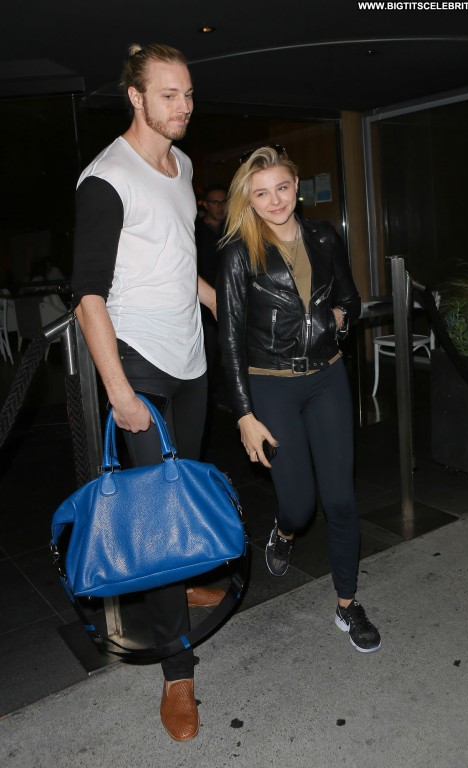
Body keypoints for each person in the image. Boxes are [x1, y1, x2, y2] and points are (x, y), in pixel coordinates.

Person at [71, 43, 222, 743]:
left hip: (191, 359)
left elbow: (176, 257)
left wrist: (219, 302)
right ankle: (176, 670)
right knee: (158, 518)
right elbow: (88, 298)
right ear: (136, 98)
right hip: (139, 364)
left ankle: (181, 581)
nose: (183, 106)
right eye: (168, 94)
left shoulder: (182, 166)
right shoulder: (106, 178)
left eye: (187, 93)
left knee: (182, 491)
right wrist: (119, 391)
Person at [216, 145, 381, 654]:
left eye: (282, 188)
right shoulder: (239, 253)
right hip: (271, 385)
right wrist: (244, 414)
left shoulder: (324, 236)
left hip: (327, 377)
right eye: (261, 193)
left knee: (341, 500)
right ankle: (284, 532)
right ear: (248, 199)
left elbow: (350, 300)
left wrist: (338, 320)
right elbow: (229, 338)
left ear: (296, 188)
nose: (275, 201)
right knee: (299, 505)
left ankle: (348, 604)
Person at [195, 185, 228, 407]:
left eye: (224, 202)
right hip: (203, 304)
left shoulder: (232, 229)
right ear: (206, 205)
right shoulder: (195, 230)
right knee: (207, 354)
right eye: (215, 202)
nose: (220, 207)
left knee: (230, 354)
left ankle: (226, 399)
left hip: (229, 299)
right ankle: (205, 401)